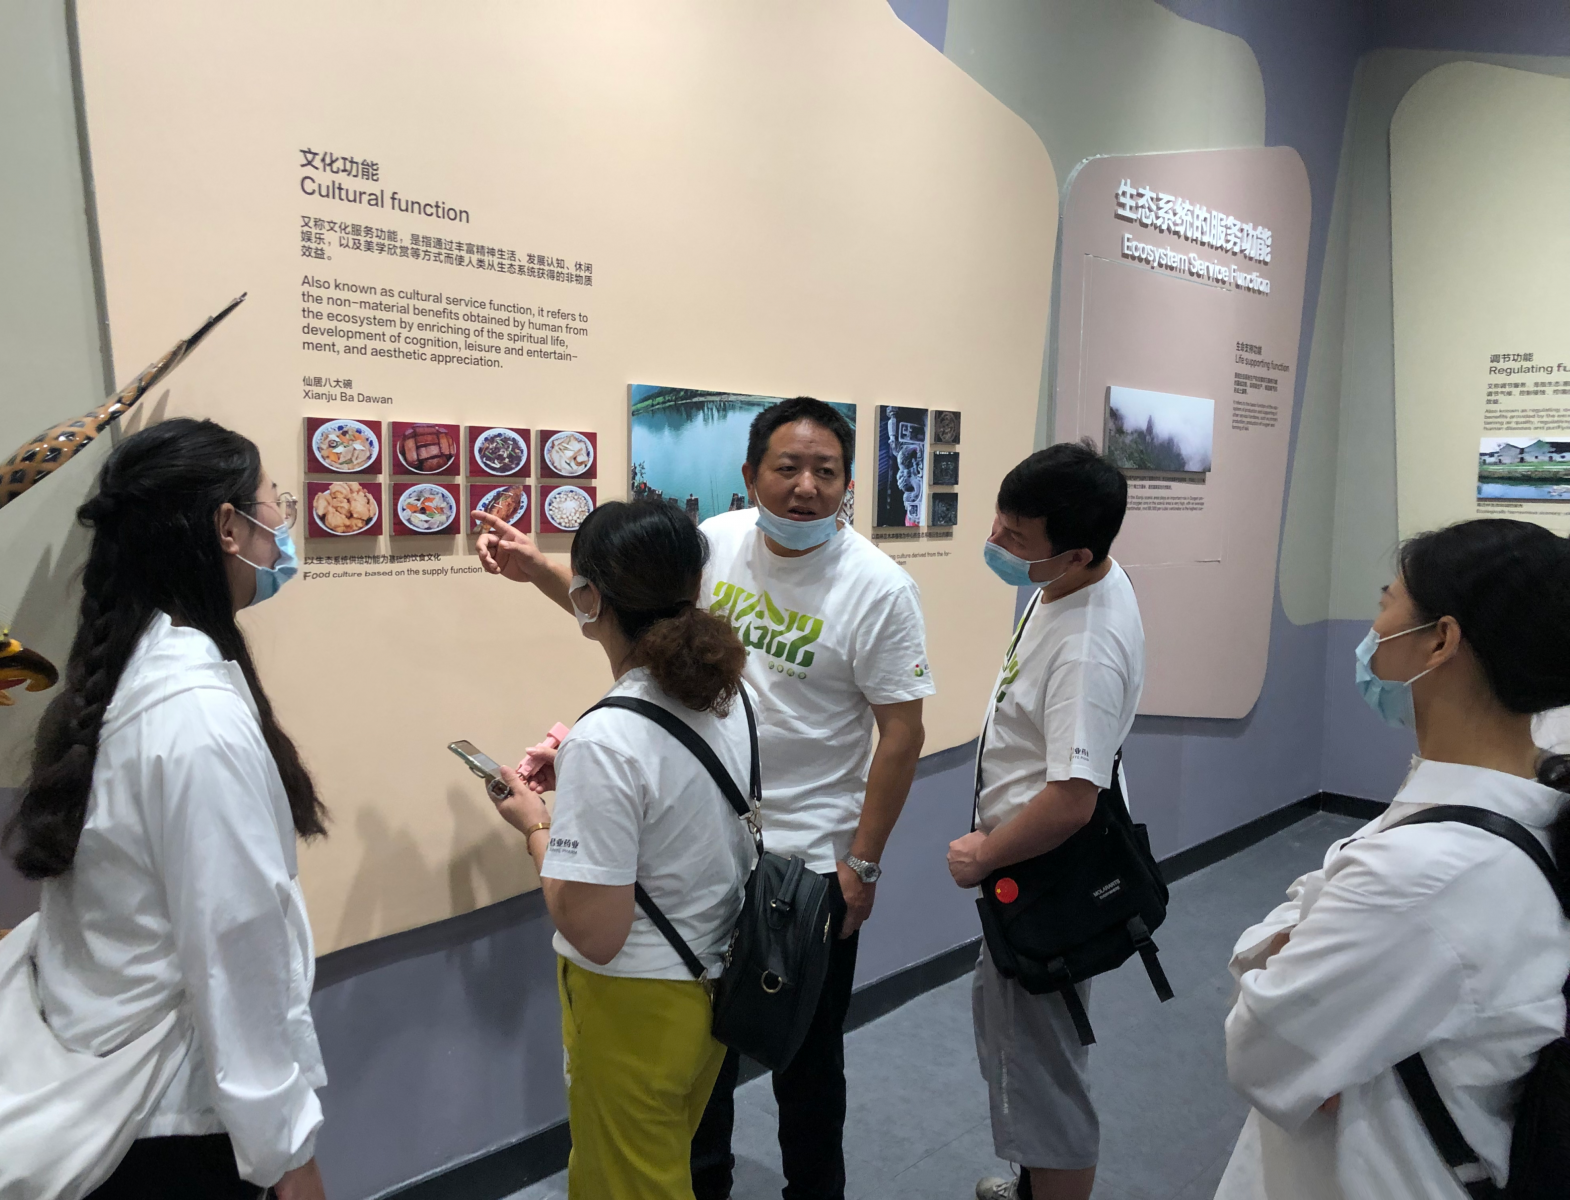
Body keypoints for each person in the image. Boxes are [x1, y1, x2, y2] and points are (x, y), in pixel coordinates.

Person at [477, 396, 933, 1200]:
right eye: (787, 467)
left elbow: (902, 734)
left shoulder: (879, 589)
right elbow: (637, 622)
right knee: (701, 1079)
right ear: (750, 473)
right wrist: (539, 571)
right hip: (715, 859)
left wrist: (862, 864)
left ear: (849, 482)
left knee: (807, 1064)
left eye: (826, 471)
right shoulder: (713, 543)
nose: (806, 487)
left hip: (810, 868)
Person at [0, 419, 329, 1199]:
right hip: (167, 1117)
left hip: (105, 1080)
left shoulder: (137, 667)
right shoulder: (195, 718)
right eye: (274, 505)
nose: (282, 525)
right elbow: (234, 950)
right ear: (227, 527)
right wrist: (290, 1154)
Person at [1215, 518, 1570, 1200]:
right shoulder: (1509, 807)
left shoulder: (1426, 872)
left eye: (1387, 602)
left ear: (1440, 640)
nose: (1374, 628)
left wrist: (1289, 944)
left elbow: (1258, 1052)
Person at [484, 499, 756, 1200]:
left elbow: (595, 932)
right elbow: (675, 800)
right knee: (662, 1171)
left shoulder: (607, 738)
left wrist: (536, 826)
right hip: (711, 979)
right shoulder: (729, 694)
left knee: (624, 1186)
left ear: (589, 598)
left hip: (635, 1002)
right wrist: (585, 776)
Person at [946, 442, 1144, 1200]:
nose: (994, 542)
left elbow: (1071, 800)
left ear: (1077, 553)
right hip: (1029, 869)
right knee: (1017, 1049)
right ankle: (1033, 1182)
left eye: (1015, 537)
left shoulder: (1088, 647)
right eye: (999, 520)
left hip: (1044, 872)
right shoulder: (1072, 581)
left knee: (1043, 1076)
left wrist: (984, 854)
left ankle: (1051, 1180)